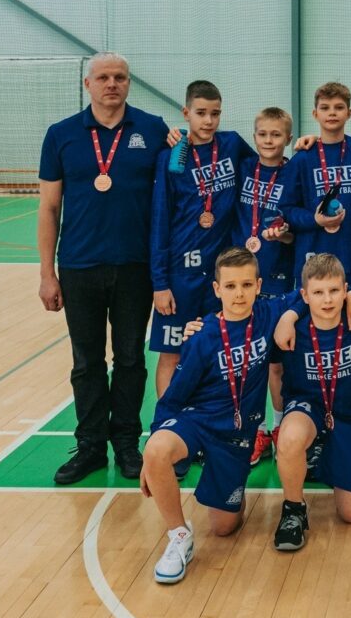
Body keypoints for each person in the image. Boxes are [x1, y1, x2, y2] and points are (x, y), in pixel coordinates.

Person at [38, 52, 168, 484]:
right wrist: (47, 273)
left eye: (120, 77)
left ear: (129, 83)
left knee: (130, 359)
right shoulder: (61, 135)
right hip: (79, 266)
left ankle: (127, 443)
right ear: (88, 84)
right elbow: (49, 207)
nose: (112, 84)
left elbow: (186, 172)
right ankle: (91, 446)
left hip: (135, 266)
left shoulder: (153, 130)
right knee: (87, 361)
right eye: (103, 77)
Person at [140, 246, 300, 584]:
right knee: (156, 451)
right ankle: (179, 536)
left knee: (225, 527)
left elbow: (304, 293)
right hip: (198, 421)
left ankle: (219, 484)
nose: (239, 294)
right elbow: (174, 396)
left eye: (246, 285)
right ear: (217, 289)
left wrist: (289, 316)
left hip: (235, 436)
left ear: (258, 286)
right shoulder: (202, 336)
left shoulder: (268, 313)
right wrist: (152, 449)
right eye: (230, 286)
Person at [149, 80, 254, 403]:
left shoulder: (232, 144)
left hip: (221, 275)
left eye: (215, 113)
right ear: (186, 113)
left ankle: (213, 420)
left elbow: (269, 163)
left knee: (220, 349)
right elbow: (160, 221)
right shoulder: (172, 156)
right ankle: (167, 422)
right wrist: (160, 283)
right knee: (172, 353)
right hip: (180, 274)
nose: (209, 120)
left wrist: (305, 144)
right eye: (201, 113)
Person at [271, 254, 351, 551]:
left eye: (334, 291)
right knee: (290, 437)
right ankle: (293, 509)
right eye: (318, 292)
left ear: (345, 290)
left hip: (349, 415)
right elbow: (250, 310)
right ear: (304, 295)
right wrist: (289, 316)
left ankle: (326, 456)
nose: (327, 300)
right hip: (307, 407)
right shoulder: (291, 323)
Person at [231, 107, 297, 466]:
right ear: (254, 136)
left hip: (279, 276)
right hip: (242, 279)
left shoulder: (294, 172)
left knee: (276, 363)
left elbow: (296, 230)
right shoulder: (242, 167)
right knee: (246, 360)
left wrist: (285, 235)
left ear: (288, 138)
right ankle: (254, 430)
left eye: (276, 134)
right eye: (262, 134)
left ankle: (279, 425)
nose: (269, 140)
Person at [284, 83, 351, 291]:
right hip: (313, 261)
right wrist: (314, 219)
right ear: (315, 114)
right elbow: (287, 209)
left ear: (349, 113)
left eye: (339, 107)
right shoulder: (302, 159)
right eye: (325, 108)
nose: (332, 113)